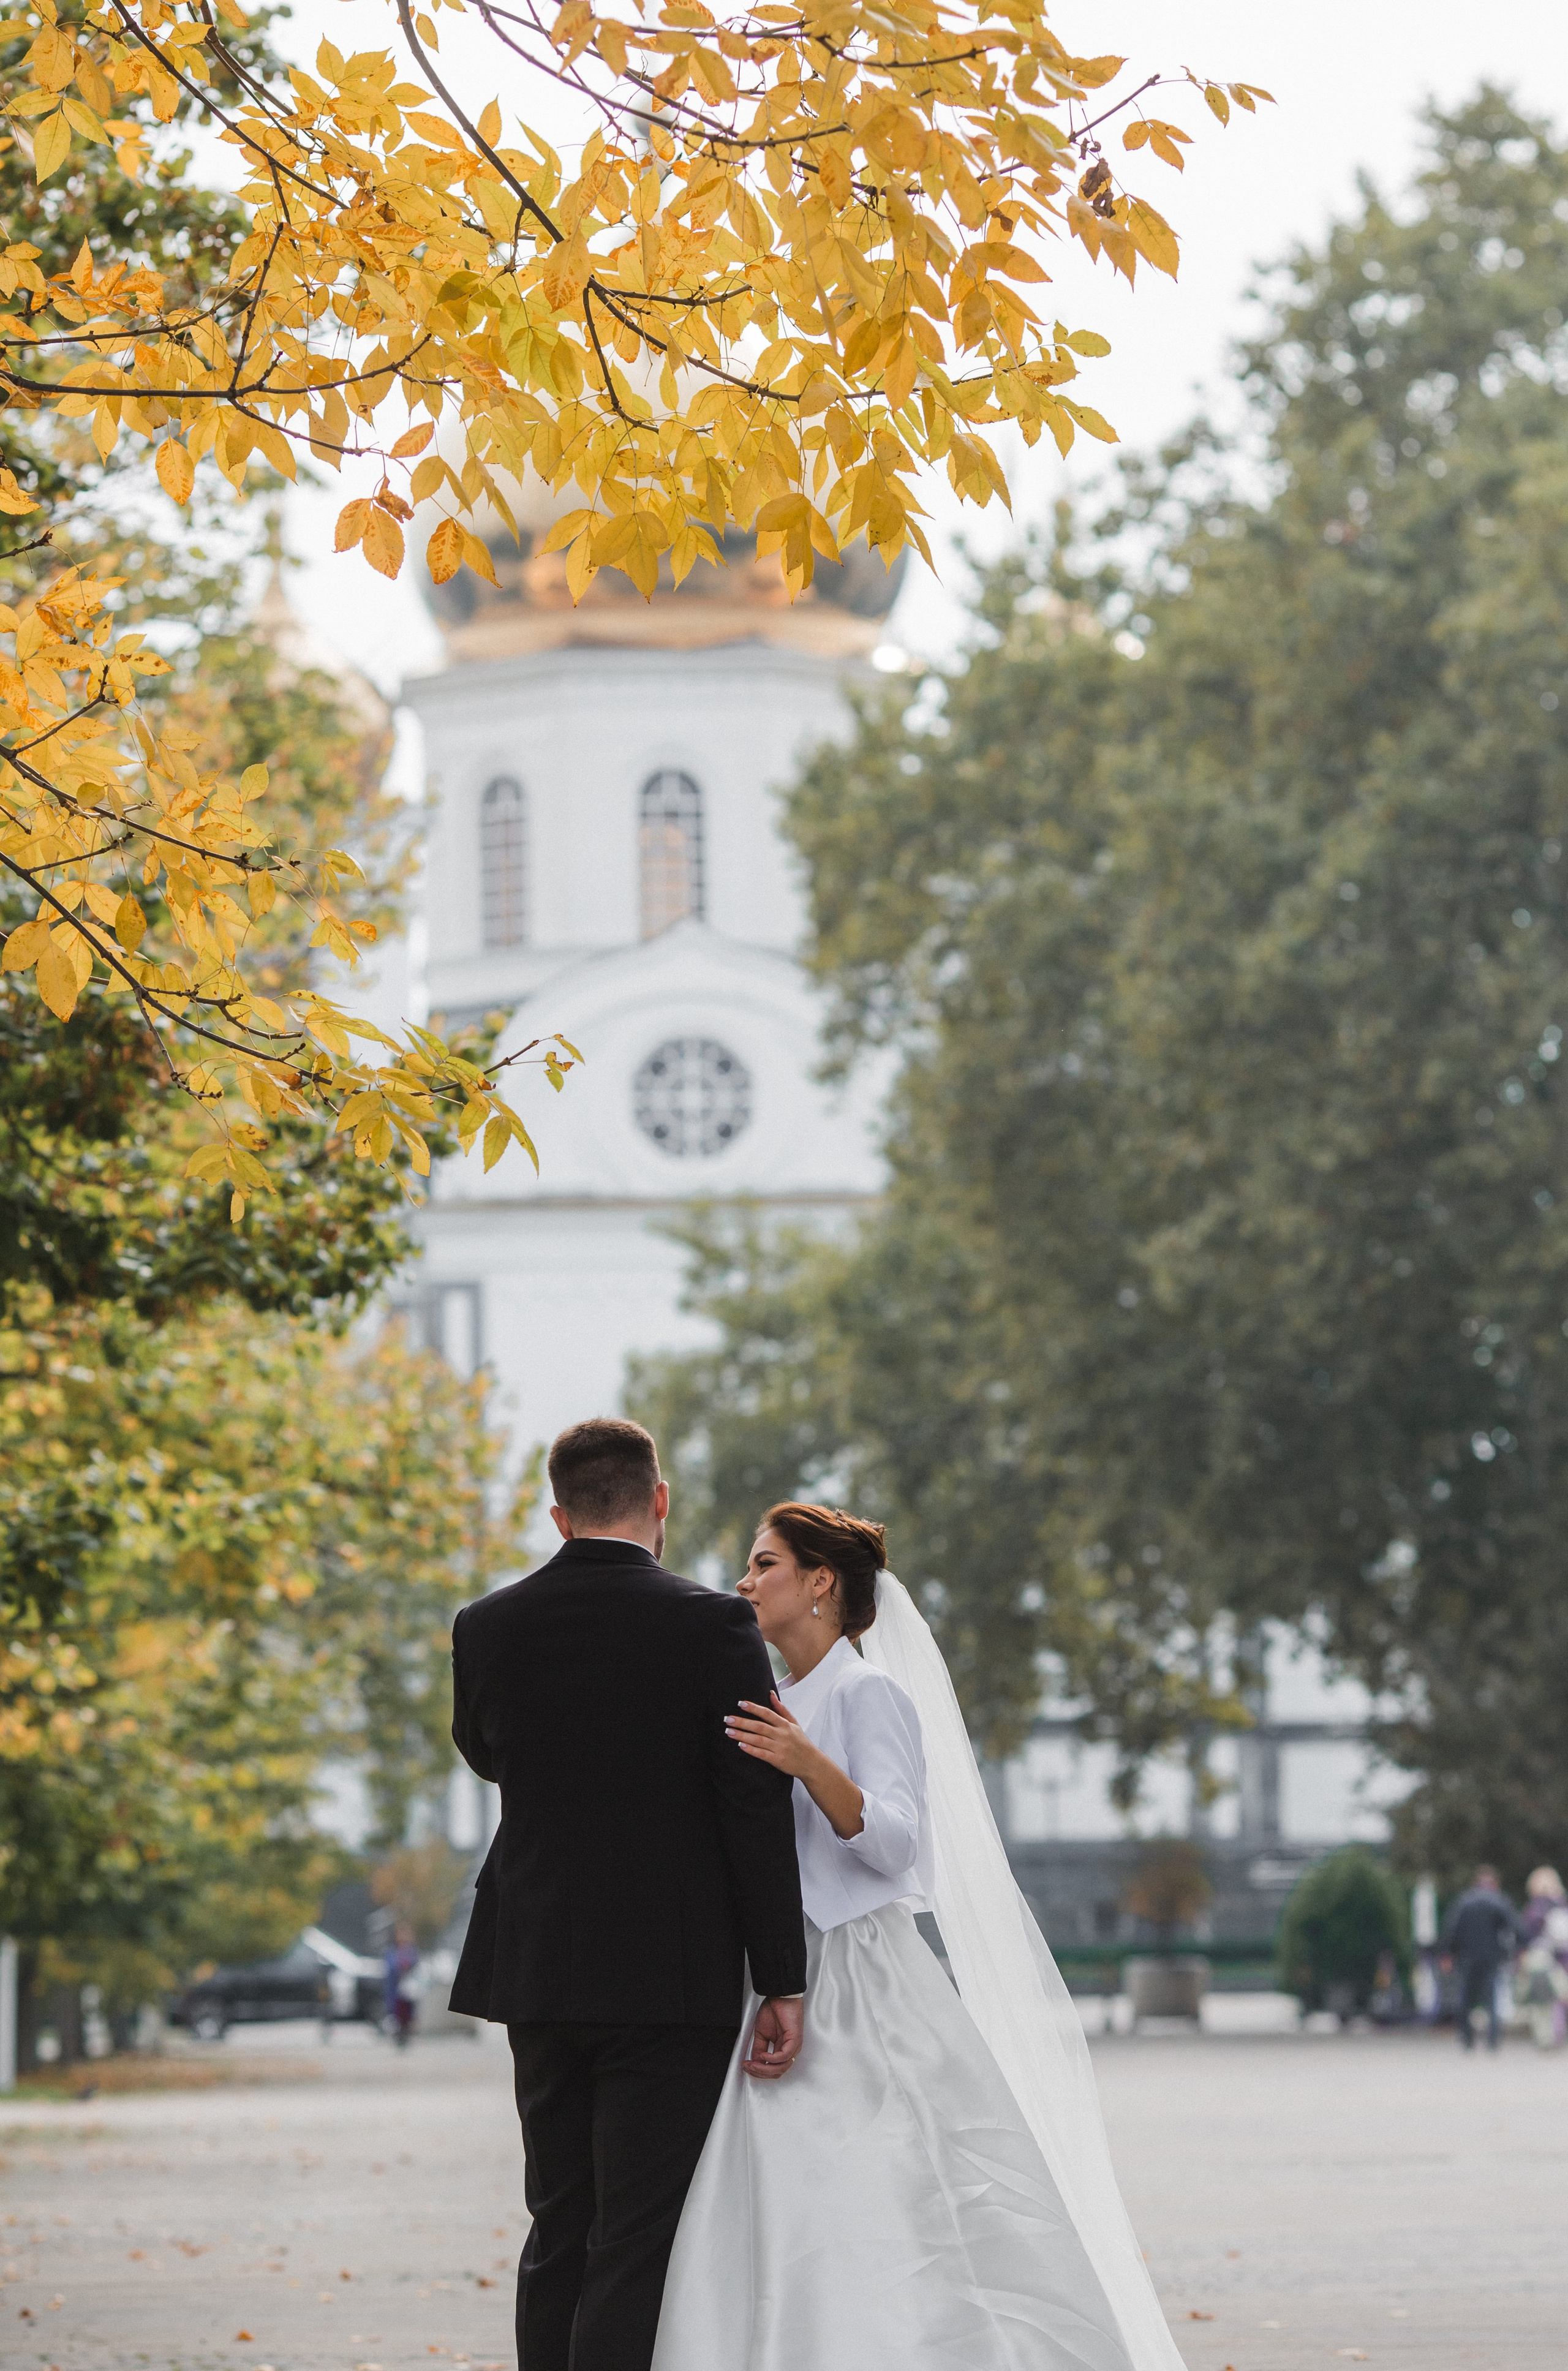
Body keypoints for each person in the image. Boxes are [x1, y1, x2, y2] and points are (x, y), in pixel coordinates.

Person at [652, 1503, 1189, 2371]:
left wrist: (807, 1761)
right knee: (786, 2197)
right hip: (778, 1974)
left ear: (820, 1579)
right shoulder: (773, 1700)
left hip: (863, 1977)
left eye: (765, 1563)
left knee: (894, 2190)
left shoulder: (868, 1693)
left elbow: (897, 1840)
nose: (744, 1581)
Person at [448, 1418, 806, 2371]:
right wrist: (783, 1976)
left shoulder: (485, 1624)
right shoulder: (712, 1623)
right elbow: (751, 1805)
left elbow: (485, 1753)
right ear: (659, 1500)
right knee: (636, 2235)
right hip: (670, 1968)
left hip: (539, 1963)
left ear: (559, 1514)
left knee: (558, 2220)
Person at [1439, 1865, 1521, 2051]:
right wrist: (1515, 1951)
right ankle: (1492, 2041)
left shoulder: (1463, 1901)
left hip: (1466, 1957)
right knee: (1492, 1999)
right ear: (1495, 1883)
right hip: (1492, 1957)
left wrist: (1447, 1953)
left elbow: (1452, 1930)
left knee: (1465, 1998)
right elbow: (1515, 1928)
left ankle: (1467, 2039)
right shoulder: (1500, 1901)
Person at [1517, 1867, 1568, 2050]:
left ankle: (1547, 2037)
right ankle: (1558, 2033)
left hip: (1542, 1958)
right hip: (1564, 1957)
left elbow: (1526, 1934)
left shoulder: (1535, 1907)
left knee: (1542, 2000)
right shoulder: (1562, 1903)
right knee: (1560, 1998)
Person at [384, 1921, 420, 2048]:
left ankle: (405, 2037)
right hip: (396, 1990)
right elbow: (390, 1967)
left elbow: (416, 1965)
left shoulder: (412, 1951)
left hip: (409, 1991)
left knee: (408, 2015)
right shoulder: (392, 1951)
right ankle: (399, 2038)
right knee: (397, 2015)